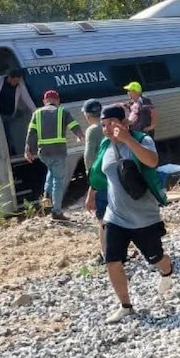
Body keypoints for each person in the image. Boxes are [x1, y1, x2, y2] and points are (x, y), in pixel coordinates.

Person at [91, 104, 174, 324]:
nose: (107, 129)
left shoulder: (142, 140)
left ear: (125, 123)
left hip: (144, 217)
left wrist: (128, 139)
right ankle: (125, 306)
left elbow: (152, 161)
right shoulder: (105, 145)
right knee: (112, 261)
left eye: (112, 124)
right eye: (103, 125)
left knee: (157, 259)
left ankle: (167, 271)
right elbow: (102, 172)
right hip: (115, 216)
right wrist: (91, 193)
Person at [24, 90, 84, 221]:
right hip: (58, 151)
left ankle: (46, 200)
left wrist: (27, 150)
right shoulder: (63, 111)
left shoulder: (37, 113)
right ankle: (56, 211)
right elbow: (74, 125)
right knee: (58, 181)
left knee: (50, 174)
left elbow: (31, 132)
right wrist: (80, 136)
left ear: (45, 101)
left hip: (44, 153)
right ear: (58, 100)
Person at [0, 68, 36, 155]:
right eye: (15, 81)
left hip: (9, 115)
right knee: (0, 134)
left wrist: (35, 111)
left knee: (8, 134)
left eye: (18, 81)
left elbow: (27, 99)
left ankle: (10, 152)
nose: (16, 83)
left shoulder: (20, 86)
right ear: (9, 78)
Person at [81, 99, 107, 262]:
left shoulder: (92, 130)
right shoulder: (108, 126)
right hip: (114, 177)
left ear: (87, 115)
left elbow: (90, 158)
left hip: (101, 179)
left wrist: (91, 184)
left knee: (103, 218)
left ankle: (106, 253)